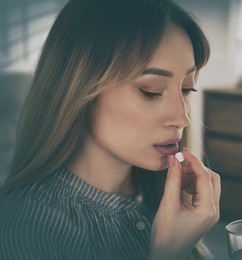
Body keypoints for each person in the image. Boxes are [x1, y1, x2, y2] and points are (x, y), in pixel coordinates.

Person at [0, 0, 221, 259]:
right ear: (81, 90)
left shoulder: (163, 195)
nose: (182, 118)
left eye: (187, 88)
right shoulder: (28, 229)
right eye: (149, 91)